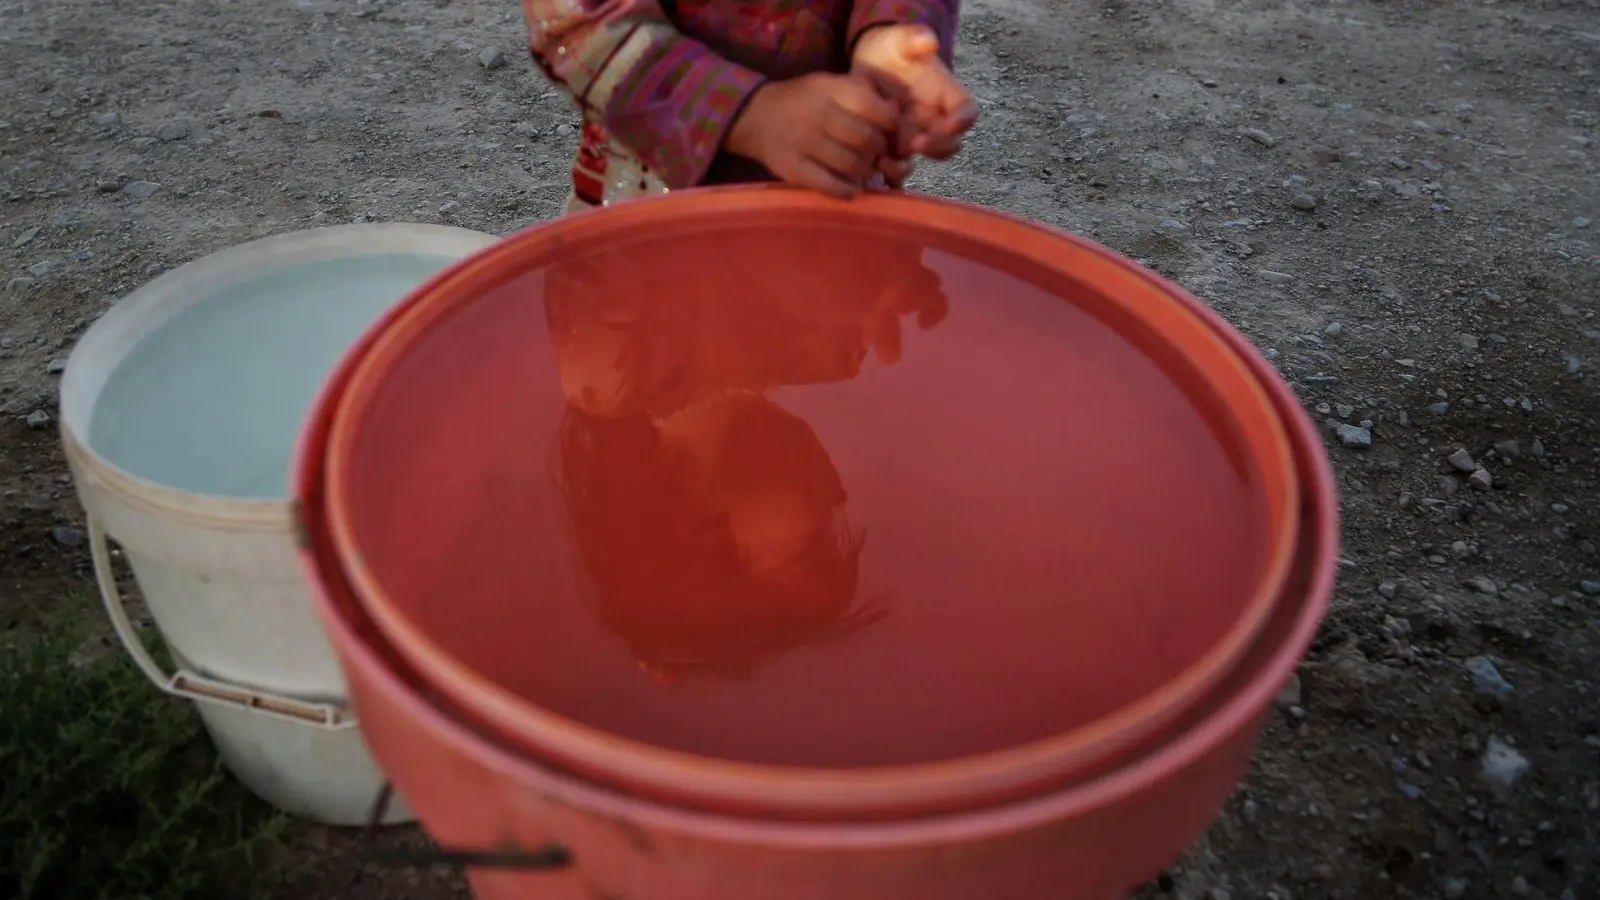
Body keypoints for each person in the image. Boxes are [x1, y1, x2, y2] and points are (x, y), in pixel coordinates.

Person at [516, 0, 977, 212]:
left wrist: (891, 37)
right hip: (656, 207)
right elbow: (579, 24)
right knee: (664, 393)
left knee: (817, 386)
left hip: (833, 185)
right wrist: (751, 115)